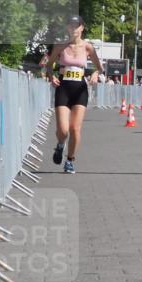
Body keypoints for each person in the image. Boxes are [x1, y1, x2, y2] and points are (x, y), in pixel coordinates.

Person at [45, 16, 103, 174]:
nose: (74, 29)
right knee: (63, 130)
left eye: (77, 26)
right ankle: (60, 145)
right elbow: (49, 65)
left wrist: (95, 74)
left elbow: (99, 67)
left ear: (82, 28)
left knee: (75, 129)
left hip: (80, 89)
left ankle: (70, 160)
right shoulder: (60, 46)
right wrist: (51, 76)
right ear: (67, 28)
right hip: (63, 88)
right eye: (71, 26)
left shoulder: (88, 47)